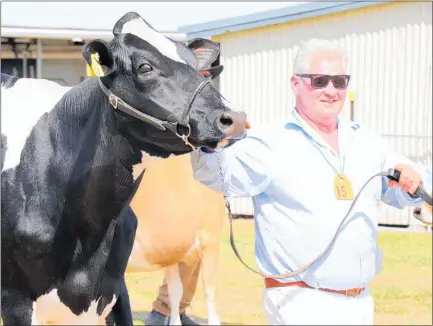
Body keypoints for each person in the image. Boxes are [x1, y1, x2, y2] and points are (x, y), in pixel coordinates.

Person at [189, 38, 432, 325]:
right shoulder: (270, 142)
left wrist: (412, 177)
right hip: (299, 303)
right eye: (320, 80)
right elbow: (213, 172)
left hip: (361, 302)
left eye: (340, 81)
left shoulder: (366, 141)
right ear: (295, 83)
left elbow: (409, 191)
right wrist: (203, 135)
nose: (331, 90)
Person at [145, 63, 224, 326]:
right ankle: (156, 311)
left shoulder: (208, 100)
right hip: (162, 171)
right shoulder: (168, 93)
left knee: (196, 244)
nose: (203, 80)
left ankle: (171, 310)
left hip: (194, 172)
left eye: (207, 75)